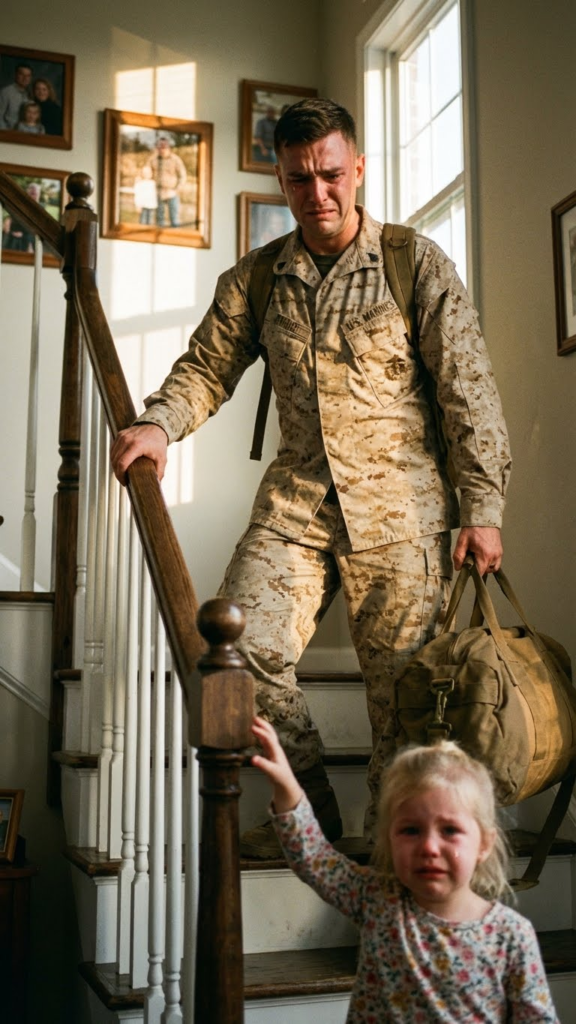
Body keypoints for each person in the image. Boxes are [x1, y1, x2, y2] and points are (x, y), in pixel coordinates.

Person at [110, 98, 511, 857]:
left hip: (404, 515)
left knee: (405, 705)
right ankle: (310, 820)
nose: (317, 193)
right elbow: (205, 368)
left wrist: (482, 507)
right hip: (296, 506)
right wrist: (160, 424)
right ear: (281, 179)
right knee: (238, 655)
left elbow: (469, 388)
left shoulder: (414, 262)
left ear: (357, 168)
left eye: (330, 174)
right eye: (299, 179)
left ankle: (392, 863)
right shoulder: (258, 277)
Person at [251, 716, 559, 1023]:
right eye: (411, 830)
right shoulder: (376, 898)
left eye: (450, 830)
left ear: (484, 844)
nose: (429, 847)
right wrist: (287, 786)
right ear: (389, 840)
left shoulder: (511, 936)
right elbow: (314, 859)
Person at [147, 137, 187, 227]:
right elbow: (146, 172)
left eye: (164, 146)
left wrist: (176, 190)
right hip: (158, 192)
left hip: (172, 193)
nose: (162, 149)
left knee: (175, 220)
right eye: (159, 146)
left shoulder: (176, 159)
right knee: (159, 220)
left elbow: (183, 176)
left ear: (169, 147)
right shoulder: (153, 159)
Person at [0, 63, 32, 130]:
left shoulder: (31, 94)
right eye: (22, 74)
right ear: (15, 75)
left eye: (28, 76)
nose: (25, 78)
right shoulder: (6, 92)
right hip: (9, 132)